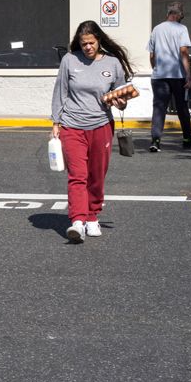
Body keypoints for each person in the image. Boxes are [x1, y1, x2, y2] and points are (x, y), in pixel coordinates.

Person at [51, 20, 137, 243]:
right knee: (77, 176)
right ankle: (78, 221)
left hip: (101, 126)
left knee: (96, 176)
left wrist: (121, 103)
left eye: (91, 42)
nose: (87, 47)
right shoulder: (70, 60)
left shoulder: (113, 63)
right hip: (72, 126)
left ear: (99, 40)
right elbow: (60, 92)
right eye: (83, 43)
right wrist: (56, 122)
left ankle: (92, 216)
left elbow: (121, 95)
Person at [146, 1, 191, 152]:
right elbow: (183, 52)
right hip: (177, 75)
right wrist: (188, 75)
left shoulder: (157, 29)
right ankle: (187, 138)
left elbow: (152, 54)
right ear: (178, 15)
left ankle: (155, 141)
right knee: (182, 107)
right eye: (182, 15)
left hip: (159, 76)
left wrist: (155, 68)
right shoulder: (182, 29)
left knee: (159, 108)